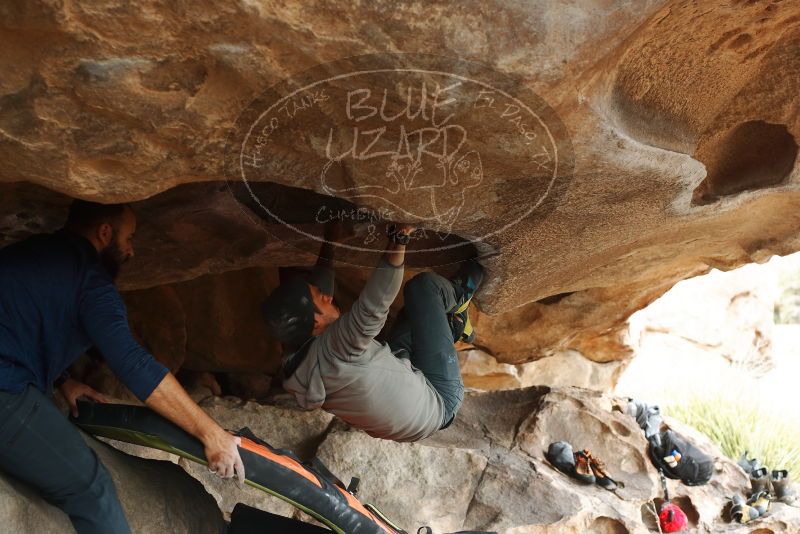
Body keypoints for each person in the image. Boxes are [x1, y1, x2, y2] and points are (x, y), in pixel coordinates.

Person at [0, 200, 245, 534]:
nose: (131, 251)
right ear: (105, 233)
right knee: (92, 488)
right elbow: (133, 363)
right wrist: (210, 432)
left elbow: (20, 324)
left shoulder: (36, 251)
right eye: (128, 238)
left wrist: (62, 380)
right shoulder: (92, 282)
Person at [262, 223, 483, 442]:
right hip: (439, 399)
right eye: (321, 298)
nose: (329, 297)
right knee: (424, 289)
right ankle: (465, 292)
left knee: (414, 314)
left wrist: (330, 243)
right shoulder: (338, 347)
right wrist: (400, 236)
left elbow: (318, 294)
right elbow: (375, 302)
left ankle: (454, 326)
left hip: (409, 407)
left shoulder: (296, 359)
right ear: (315, 320)